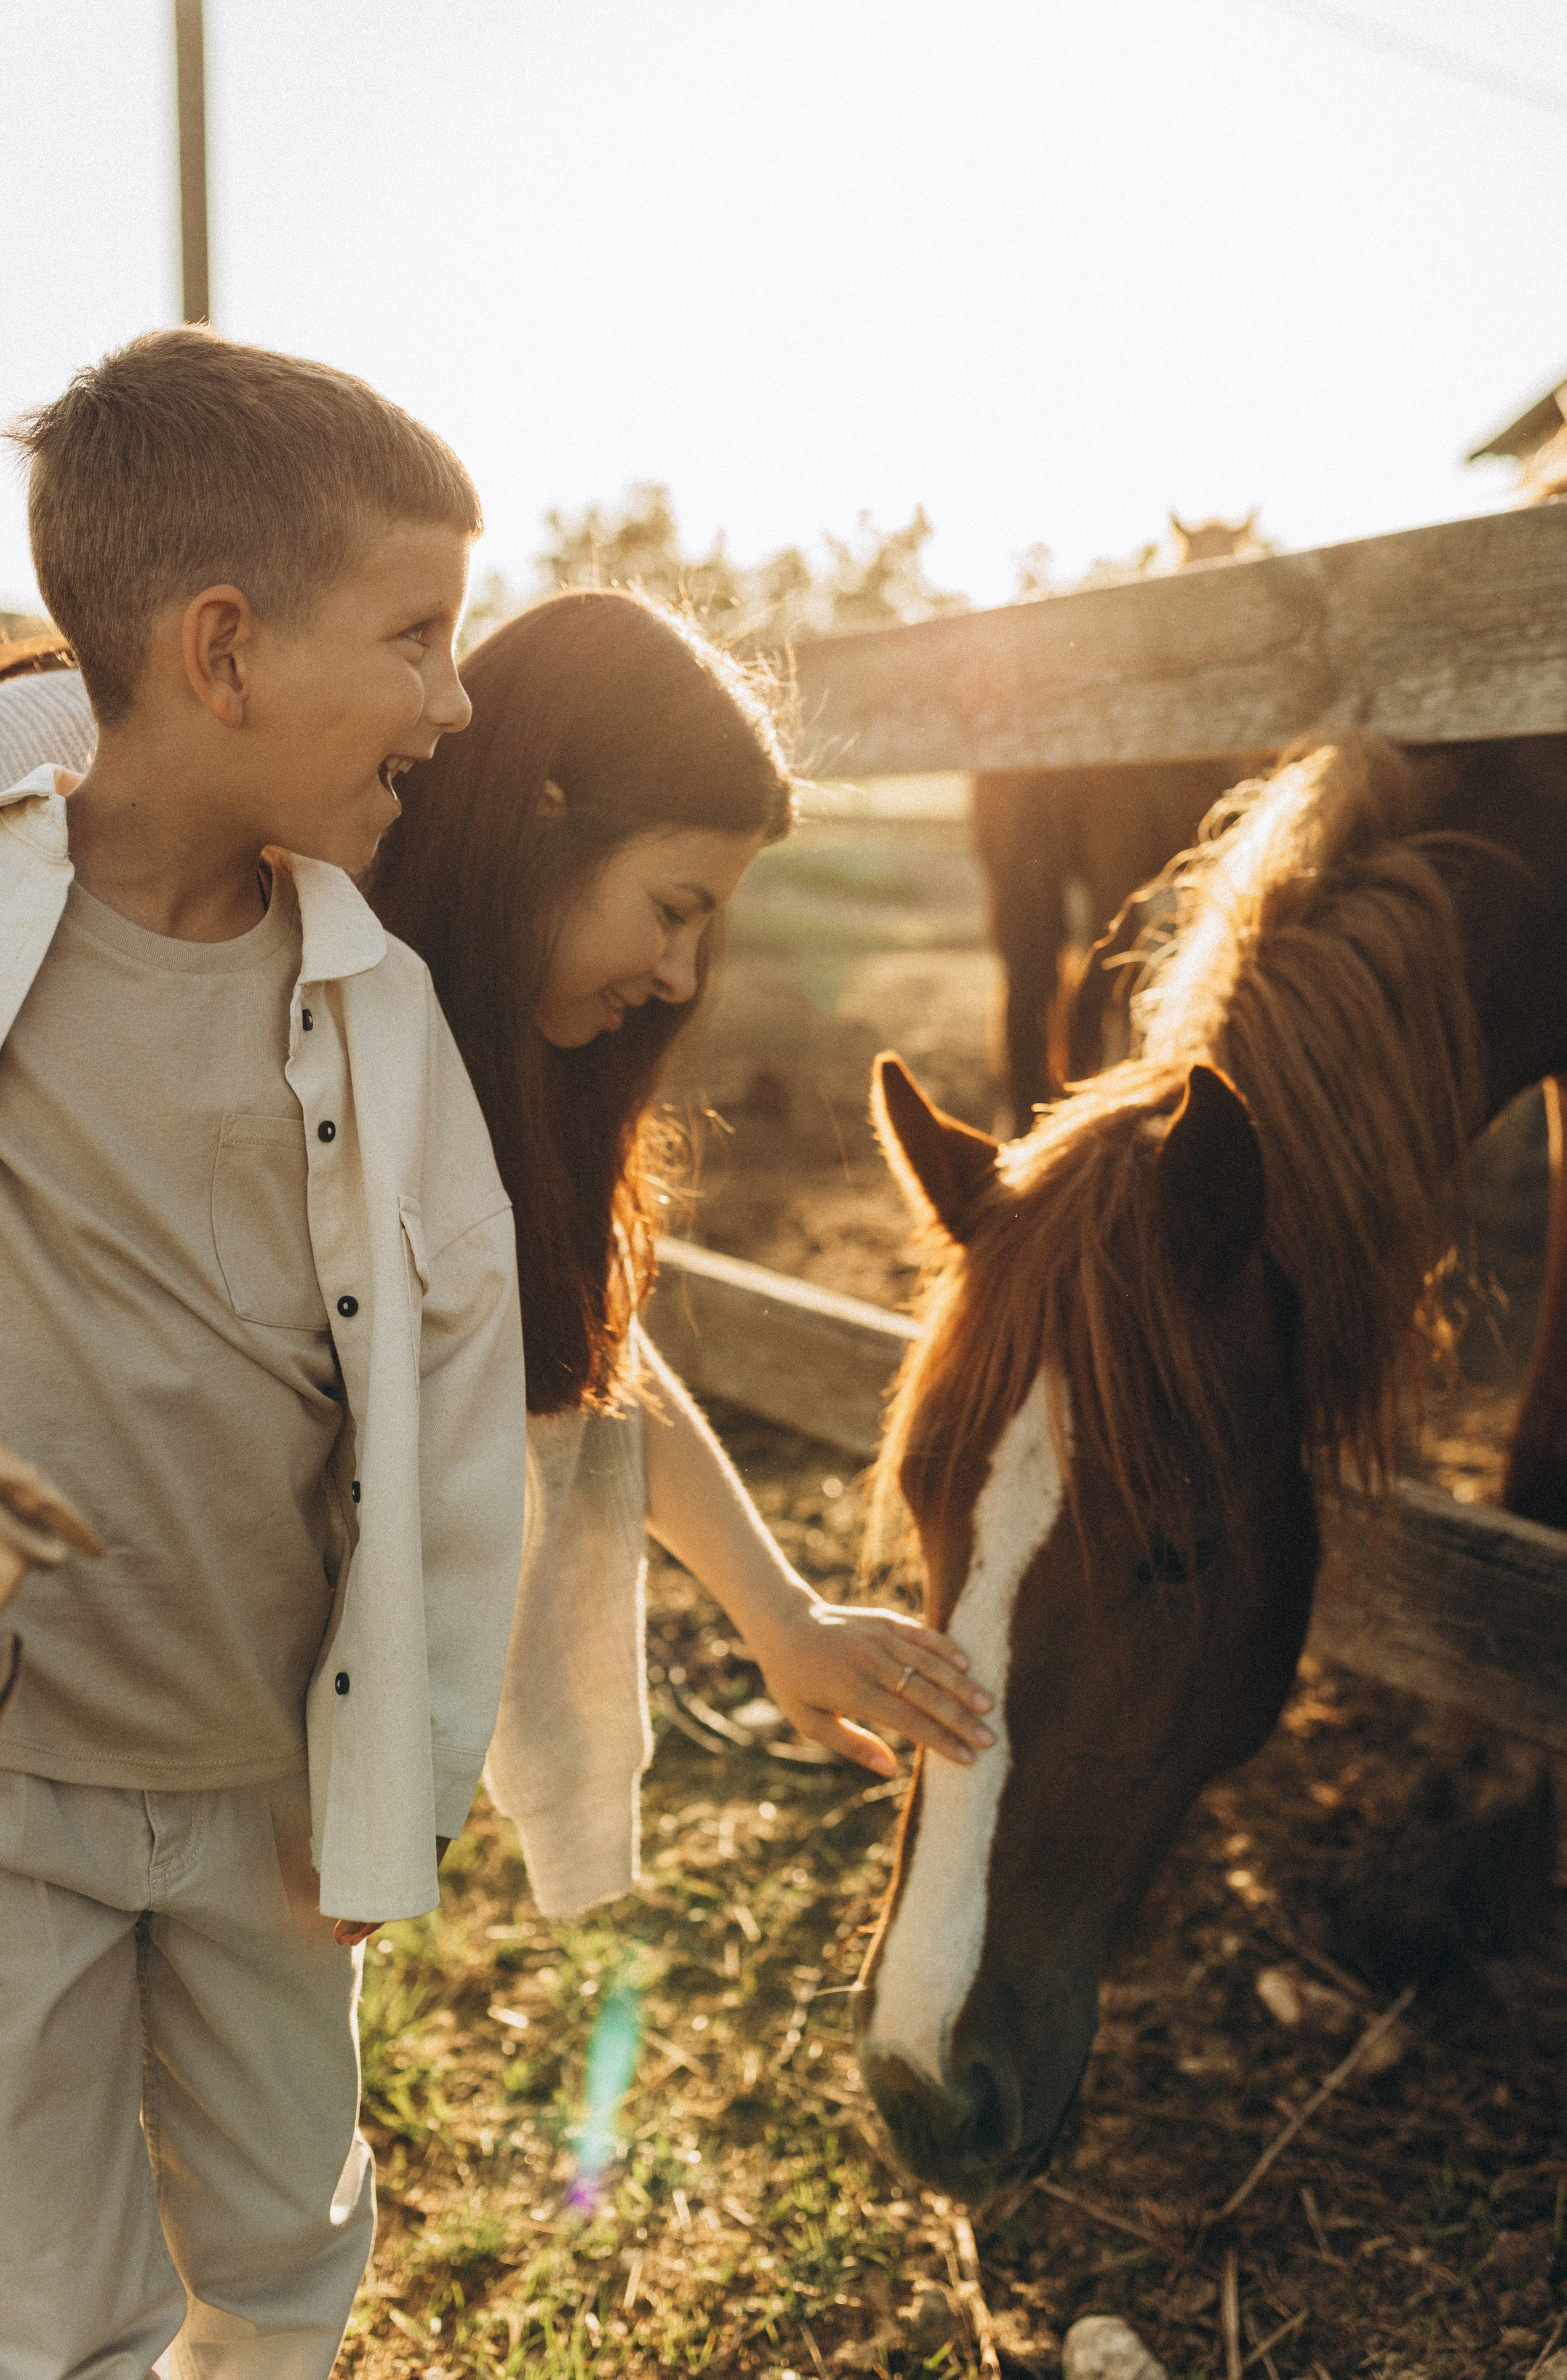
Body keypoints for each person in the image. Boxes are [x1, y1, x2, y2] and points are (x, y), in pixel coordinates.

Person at [0, 329, 529, 2377]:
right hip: (16, 1781)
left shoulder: (378, 1015)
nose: (454, 699)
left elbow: (462, 1410)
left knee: (285, 2243)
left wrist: (400, 1773)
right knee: (45, 2297)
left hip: (267, 1805)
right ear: (221, 650)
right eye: (415, 635)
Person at [372, 590, 995, 1922]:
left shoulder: (511, 1065)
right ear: (539, 818)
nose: (678, 973)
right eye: (670, 908)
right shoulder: (327, 1026)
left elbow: (580, 1335)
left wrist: (781, 1617)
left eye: (705, 928)